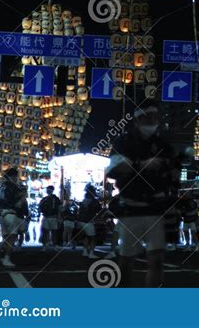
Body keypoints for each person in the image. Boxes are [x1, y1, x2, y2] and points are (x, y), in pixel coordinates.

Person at [106, 102, 181, 287]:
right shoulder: (124, 141)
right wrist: (143, 165)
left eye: (156, 118)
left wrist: (172, 170)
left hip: (157, 208)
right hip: (131, 206)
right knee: (126, 261)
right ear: (138, 119)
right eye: (149, 117)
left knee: (156, 260)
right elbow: (114, 170)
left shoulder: (163, 143)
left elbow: (173, 172)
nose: (154, 121)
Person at [0, 168, 26, 268]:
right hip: (11, 213)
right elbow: (18, 204)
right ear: (13, 176)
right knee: (12, 237)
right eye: (16, 176)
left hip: (2, 214)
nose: (16, 178)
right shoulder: (13, 187)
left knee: (6, 237)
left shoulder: (0, 188)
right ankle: (6, 259)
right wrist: (23, 195)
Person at [77, 186, 101, 258]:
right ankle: (91, 253)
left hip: (81, 220)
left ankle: (85, 251)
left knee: (86, 236)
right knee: (93, 238)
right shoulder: (94, 201)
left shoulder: (84, 200)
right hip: (88, 221)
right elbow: (99, 210)